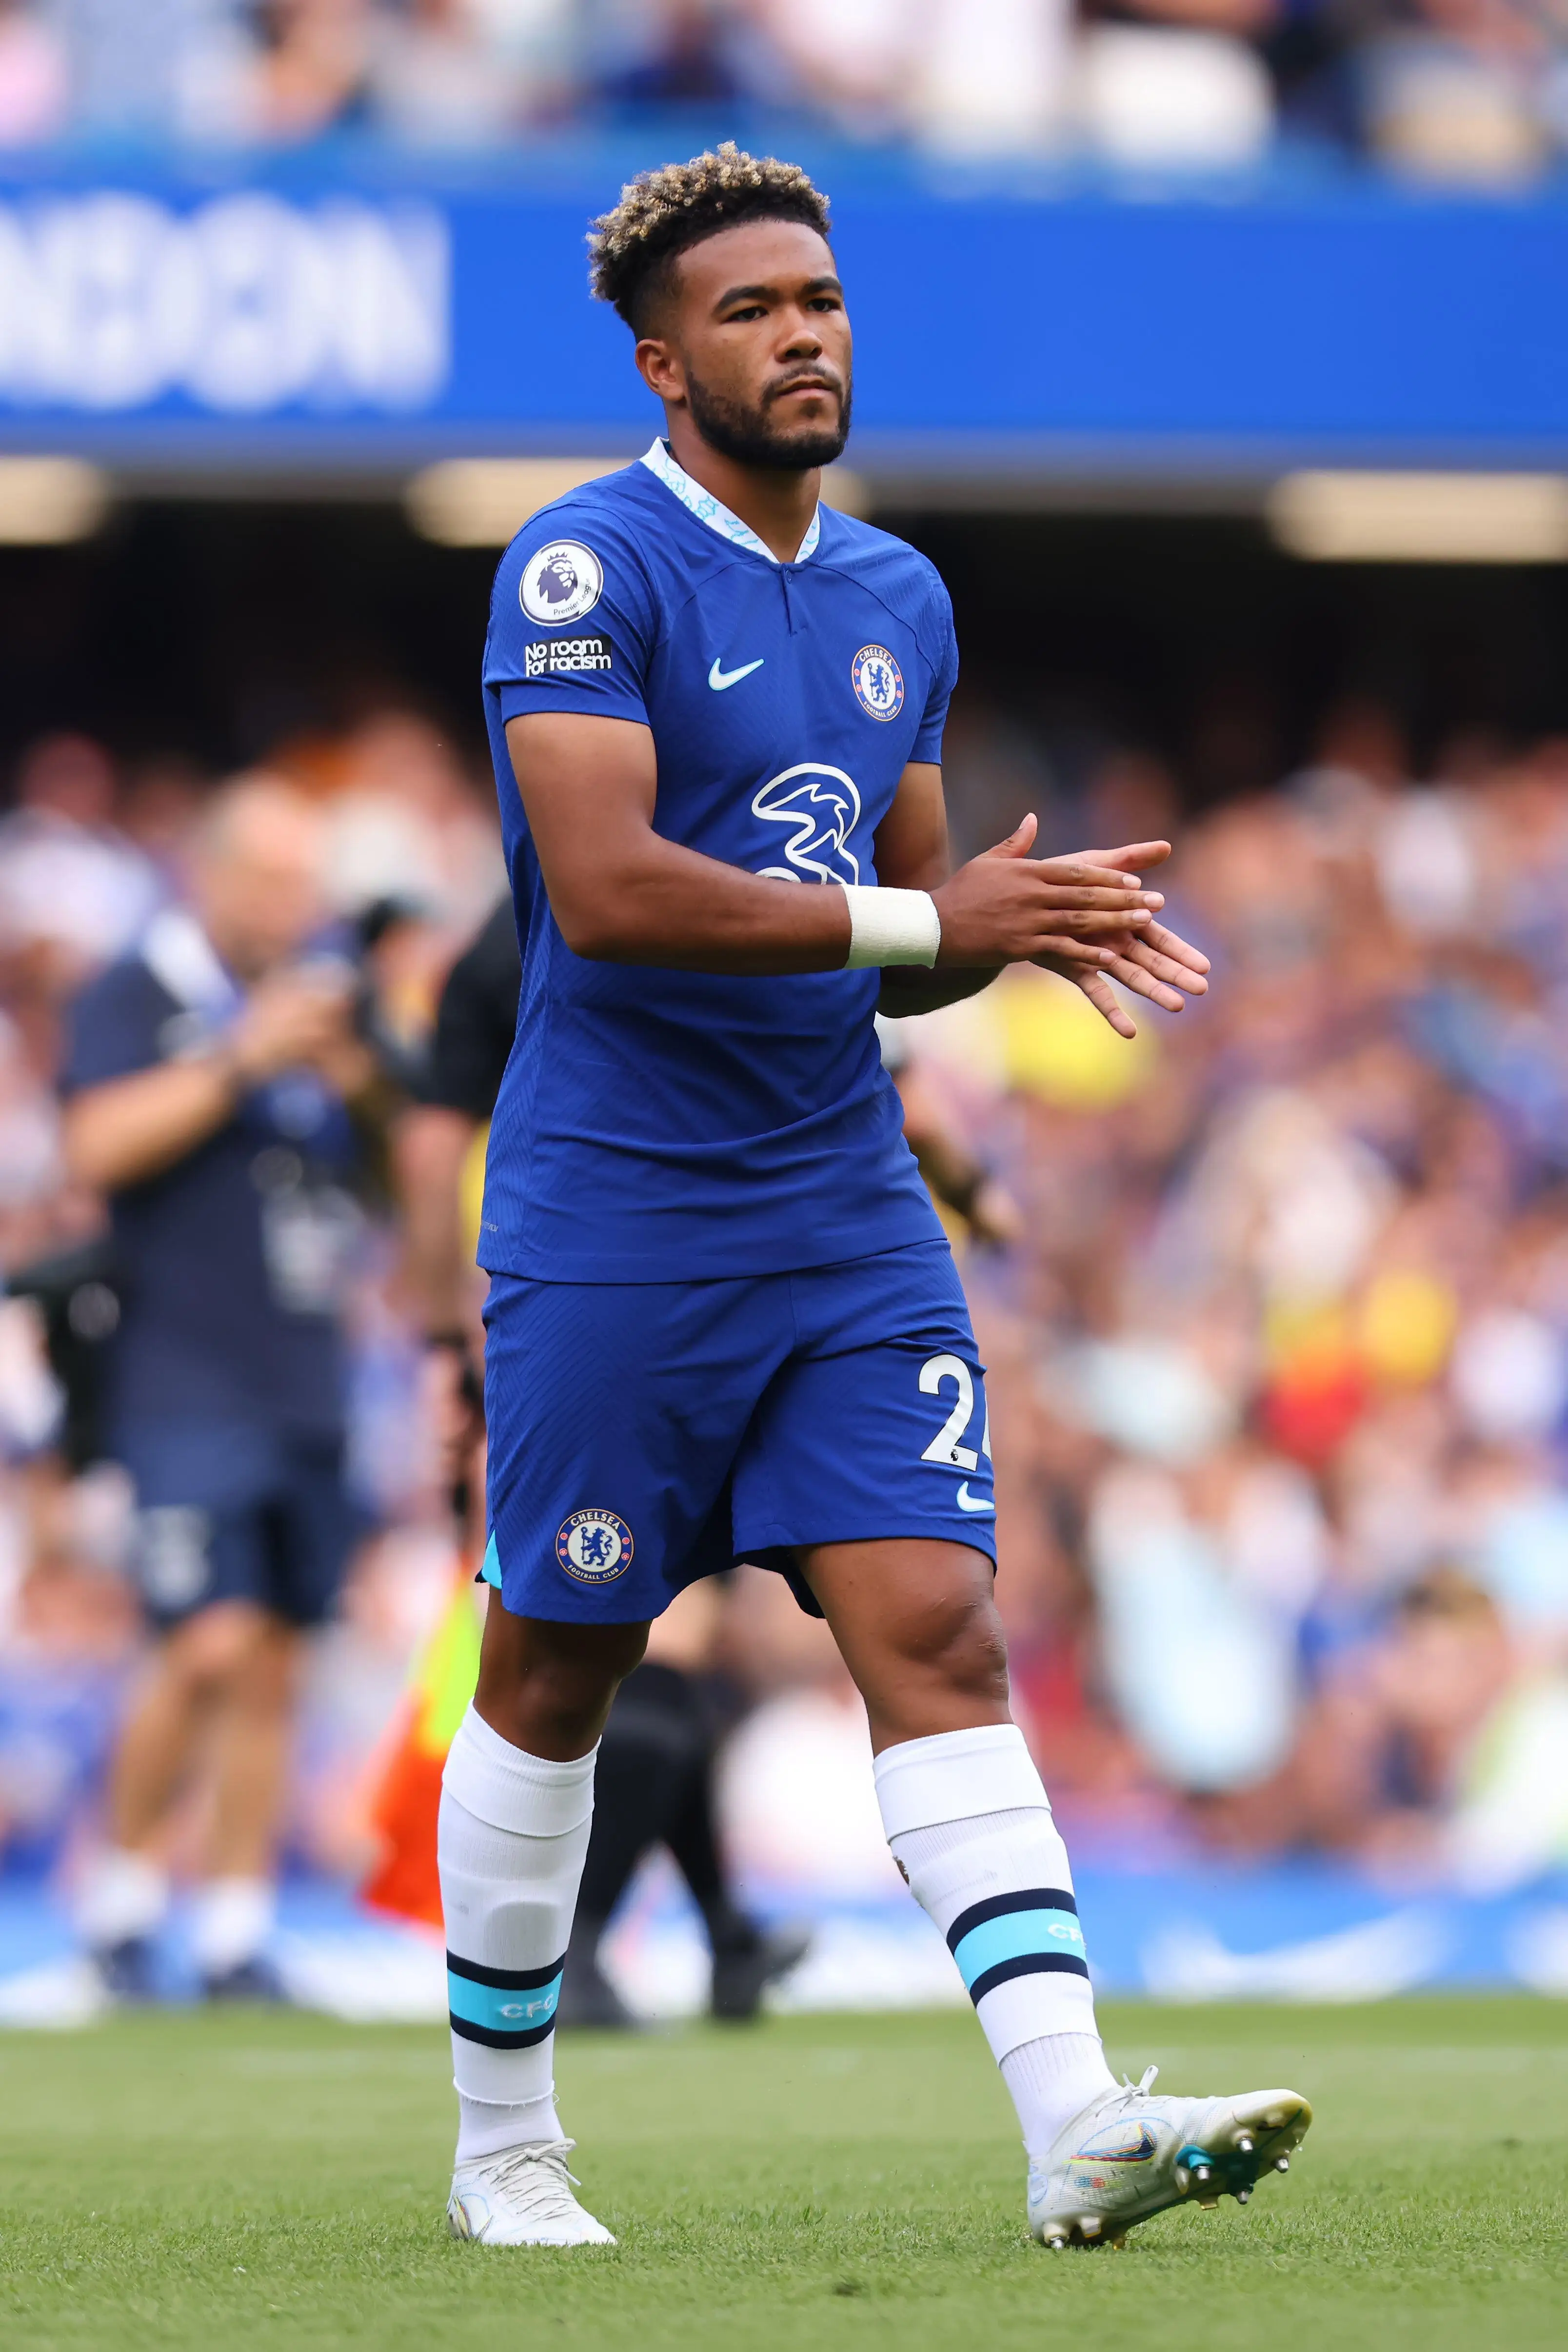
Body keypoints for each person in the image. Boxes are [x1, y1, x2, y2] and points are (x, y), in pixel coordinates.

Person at [438, 143, 1310, 2253]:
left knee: (935, 1623)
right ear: (662, 362)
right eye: (749, 312)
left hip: (835, 1205)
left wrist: (1015, 924)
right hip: (617, 1208)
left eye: (819, 300)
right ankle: (502, 2143)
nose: (803, 334)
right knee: (559, 1658)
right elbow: (614, 893)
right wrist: (935, 906)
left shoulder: (893, 593)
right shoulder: (581, 569)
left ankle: (1072, 2118)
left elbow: (905, 938)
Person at [396, 896, 808, 2026]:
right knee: (614, 1640)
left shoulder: (510, 925)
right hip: (623, 1300)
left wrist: (448, 1339)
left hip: (591, 1303)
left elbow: (433, 1143)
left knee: (654, 1638)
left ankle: (717, 1935)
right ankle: (566, 1947)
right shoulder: (709, 889)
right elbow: (433, 1145)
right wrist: (453, 1346)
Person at [59, 776, 387, 2000]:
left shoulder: (321, 1005)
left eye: (307, 883)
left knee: (276, 1661)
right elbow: (95, 1148)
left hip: (304, 1371)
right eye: (276, 879)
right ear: (211, 876)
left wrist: (356, 1075)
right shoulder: (140, 989)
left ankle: (237, 1929)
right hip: (180, 1370)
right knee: (204, 1640)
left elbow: (386, 1184)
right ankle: (124, 1901)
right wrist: (240, 1059)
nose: (297, 906)